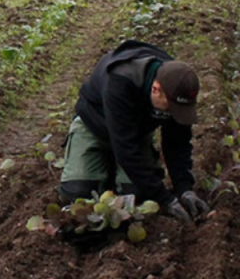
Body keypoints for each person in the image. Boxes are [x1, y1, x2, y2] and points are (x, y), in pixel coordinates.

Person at [59, 40, 209, 224]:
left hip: (135, 134)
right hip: (94, 126)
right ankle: (100, 168)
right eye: (171, 108)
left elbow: (177, 144)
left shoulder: (178, 85)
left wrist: (185, 189)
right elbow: (125, 148)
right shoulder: (120, 80)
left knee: (137, 197)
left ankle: (113, 175)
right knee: (77, 195)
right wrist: (166, 199)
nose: (174, 113)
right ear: (156, 89)